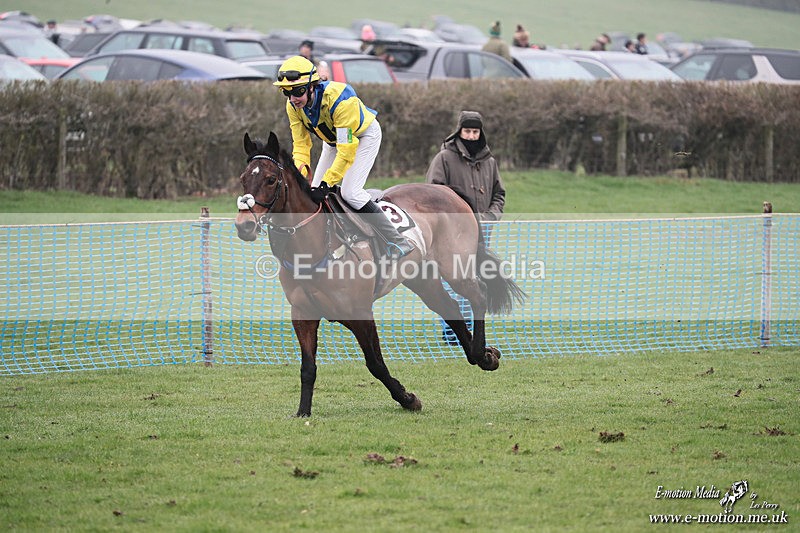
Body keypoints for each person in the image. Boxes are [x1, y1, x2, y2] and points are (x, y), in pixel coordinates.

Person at [273, 55, 414, 259]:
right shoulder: (293, 107)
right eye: (287, 93)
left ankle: (396, 241)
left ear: (312, 86)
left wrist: (328, 183)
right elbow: (302, 146)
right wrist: (300, 177)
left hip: (364, 136)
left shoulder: (340, 99)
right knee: (311, 191)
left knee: (350, 193)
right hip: (332, 142)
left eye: (298, 91)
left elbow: (347, 149)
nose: (293, 98)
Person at [425, 111, 506, 344]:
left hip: (482, 229)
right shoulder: (443, 158)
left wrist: (490, 217)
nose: (471, 136)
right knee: (454, 277)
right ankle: (453, 330)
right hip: (451, 231)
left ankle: (471, 327)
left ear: (480, 133)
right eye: (467, 131)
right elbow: (433, 192)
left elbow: (499, 194)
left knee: (474, 278)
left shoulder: (490, 162)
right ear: (459, 131)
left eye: (475, 131)